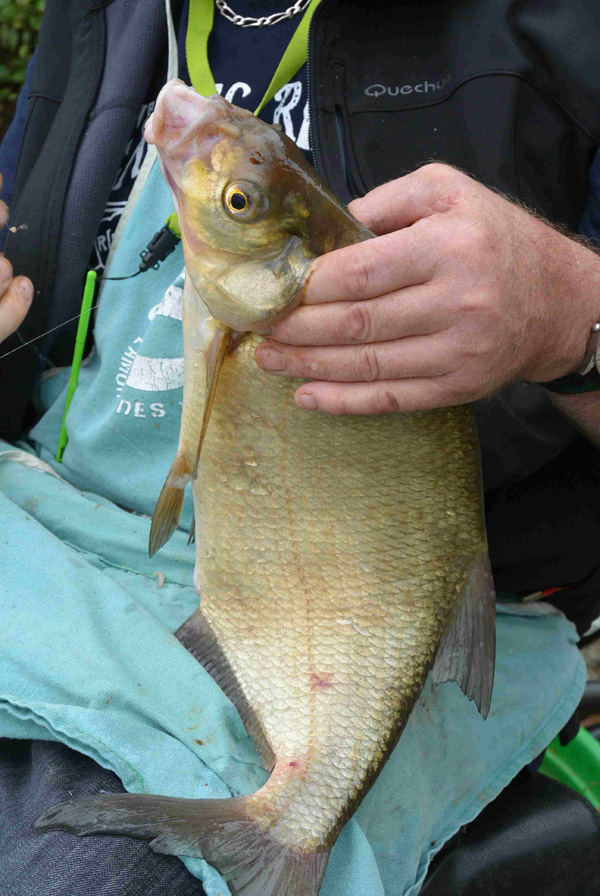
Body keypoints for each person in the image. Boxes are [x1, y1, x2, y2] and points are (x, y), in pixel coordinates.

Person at [0, 1, 599, 894]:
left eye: (236, 198)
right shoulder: (99, 13)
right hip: (50, 536)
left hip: (385, 622)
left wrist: (569, 313)